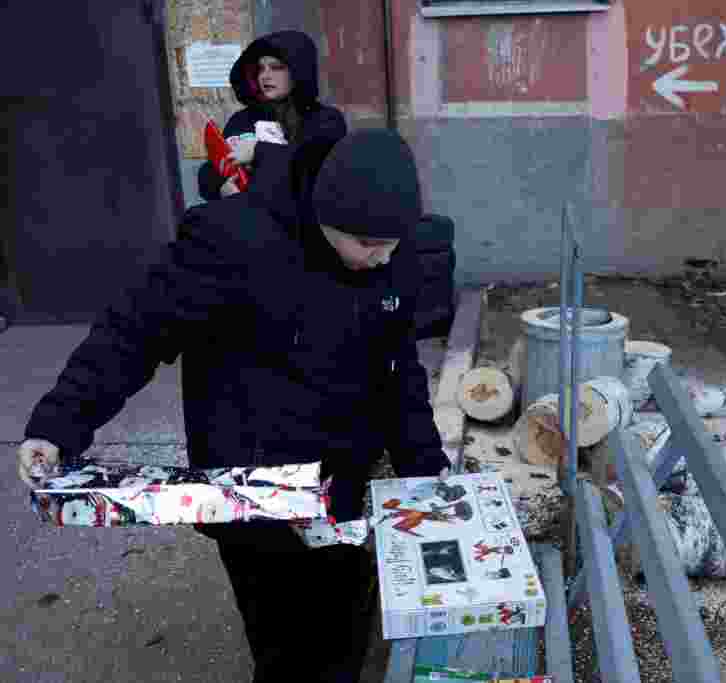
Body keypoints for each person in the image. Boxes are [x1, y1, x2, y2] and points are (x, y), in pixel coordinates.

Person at [15, 129, 451, 682]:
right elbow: (135, 333)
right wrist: (59, 424)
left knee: (344, 632)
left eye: (394, 244)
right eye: (367, 244)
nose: (383, 258)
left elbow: (399, 371)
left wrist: (428, 475)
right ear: (325, 215)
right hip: (251, 497)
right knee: (286, 651)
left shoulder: (389, 253)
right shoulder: (230, 241)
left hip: (344, 485)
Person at [198, 29, 348, 201]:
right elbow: (211, 170)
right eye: (260, 69)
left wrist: (258, 151)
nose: (265, 76)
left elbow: (312, 164)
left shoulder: (325, 120)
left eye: (276, 68)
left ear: (297, 71)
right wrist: (221, 188)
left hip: (301, 222)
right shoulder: (242, 120)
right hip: (247, 218)